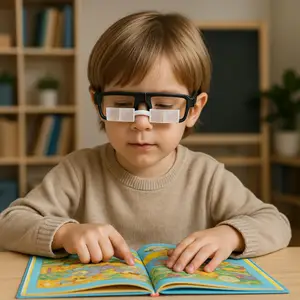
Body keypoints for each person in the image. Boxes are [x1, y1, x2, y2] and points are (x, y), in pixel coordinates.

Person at [0, 11, 291, 275]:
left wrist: (231, 235)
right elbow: (10, 222)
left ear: (193, 110)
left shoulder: (207, 175)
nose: (141, 122)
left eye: (164, 105)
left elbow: (276, 223)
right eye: (123, 103)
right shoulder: (78, 170)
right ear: (97, 101)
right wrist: (65, 233)